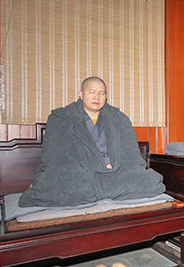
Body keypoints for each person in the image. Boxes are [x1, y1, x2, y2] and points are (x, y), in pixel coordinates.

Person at [19, 77, 166, 207]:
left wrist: (112, 168)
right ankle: (110, 191)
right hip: (81, 176)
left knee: (151, 180)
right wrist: (97, 170)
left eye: (102, 93)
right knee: (50, 185)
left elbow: (132, 157)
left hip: (114, 173)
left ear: (106, 97)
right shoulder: (61, 118)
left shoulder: (119, 118)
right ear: (81, 95)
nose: (97, 96)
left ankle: (93, 194)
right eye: (92, 91)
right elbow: (55, 160)